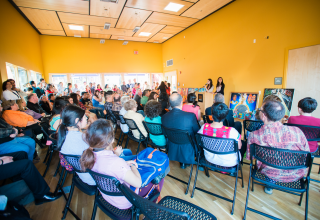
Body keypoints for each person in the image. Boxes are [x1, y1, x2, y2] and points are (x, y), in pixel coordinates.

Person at [80, 120, 158, 210]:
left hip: (106, 196)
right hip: (125, 201)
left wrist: (124, 163)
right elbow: (138, 183)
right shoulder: (116, 162)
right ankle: (149, 211)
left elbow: (109, 168)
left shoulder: (88, 157)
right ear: (111, 140)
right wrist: (133, 166)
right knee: (158, 176)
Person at [246, 100, 310, 195]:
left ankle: (270, 184)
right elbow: (307, 156)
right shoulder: (297, 132)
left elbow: (250, 157)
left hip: (269, 173)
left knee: (269, 166)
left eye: (260, 109)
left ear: (263, 115)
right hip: (296, 175)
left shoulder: (254, 135)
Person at [58, 105, 96, 185]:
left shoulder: (65, 135)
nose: (86, 118)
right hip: (96, 178)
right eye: (85, 117)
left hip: (83, 175)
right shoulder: (81, 139)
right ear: (76, 121)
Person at [198, 102, 243, 167]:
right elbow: (239, 147)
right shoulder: (232, 131)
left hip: (209, 158)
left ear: (212, 115)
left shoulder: (204, 127)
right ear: (225, 116)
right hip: (229, 162)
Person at [161, 93, 200, 169]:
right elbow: (197, 132)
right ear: (182, 102)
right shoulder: (190, 116)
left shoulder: (164, 117)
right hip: (189, 147)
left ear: (169, 103)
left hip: (172, 145)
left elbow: (165, 133)